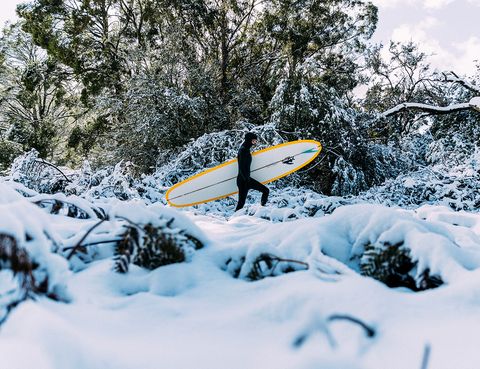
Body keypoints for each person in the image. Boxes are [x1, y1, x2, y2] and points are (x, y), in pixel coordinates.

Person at [235, 132, 269, 211]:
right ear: (249, 140)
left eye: (255, 141)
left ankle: (263, 209)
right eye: (254, 141)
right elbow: (242, 167)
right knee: (241, 203)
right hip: (243, 180)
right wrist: (246, 180)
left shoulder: (245, 149)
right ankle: (234, 220)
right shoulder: (243, 150)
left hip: (245, 179)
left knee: (265, 191)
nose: (255, 143)